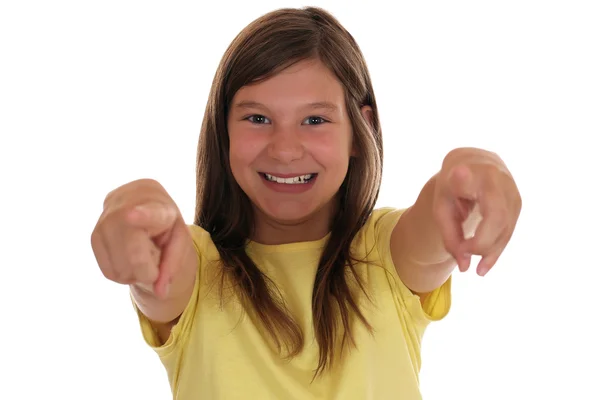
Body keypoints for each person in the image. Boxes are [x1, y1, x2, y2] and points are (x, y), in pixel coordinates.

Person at [91, 6, 522, 400]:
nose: (284, 149)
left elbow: (434, 221)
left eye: (315, 120)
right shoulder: (197, 270)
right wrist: (137, 215)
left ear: (359, 129)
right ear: (224, 131)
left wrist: (471, 177)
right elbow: (162, 274)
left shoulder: (385, 254)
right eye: (257, 119)